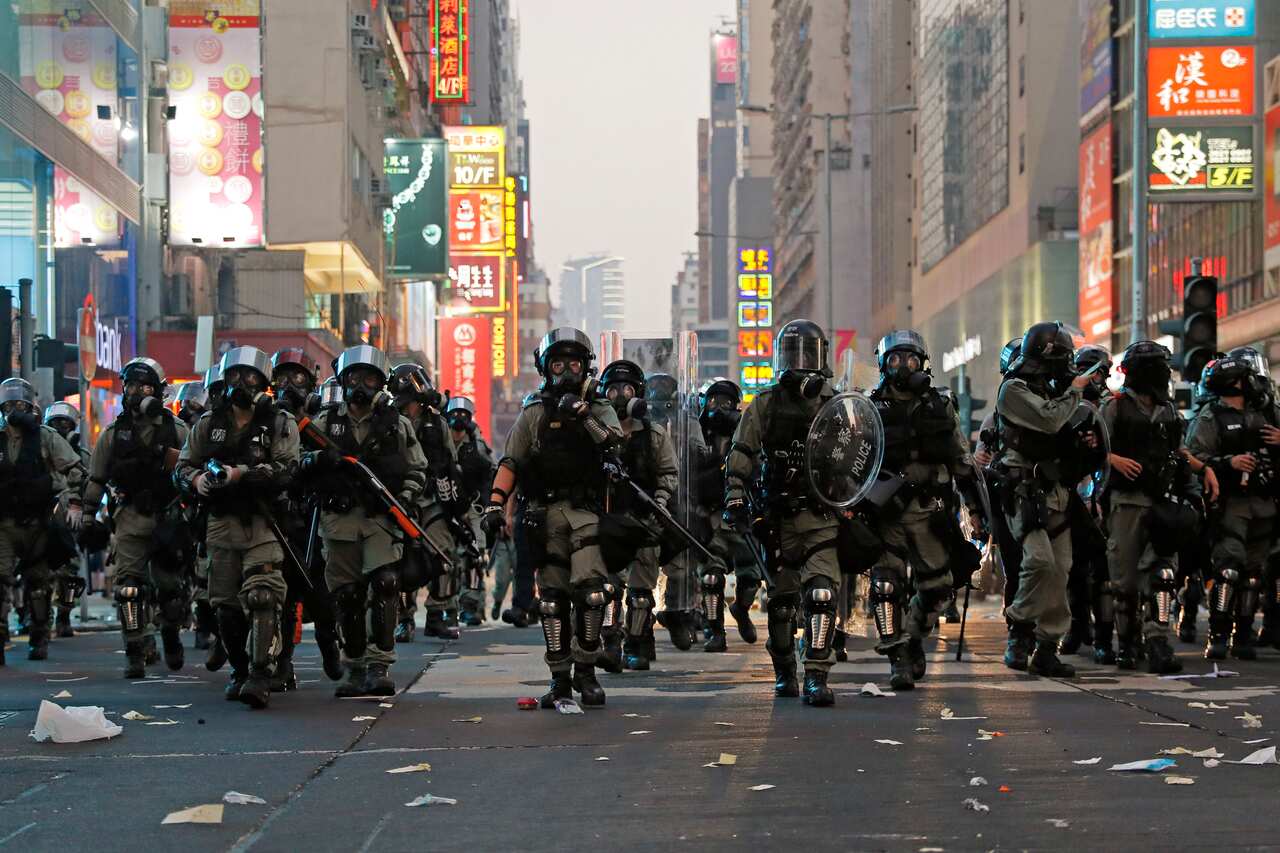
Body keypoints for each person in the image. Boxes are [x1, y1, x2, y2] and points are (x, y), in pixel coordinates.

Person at [481, 328, 623, 707]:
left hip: (585, 514)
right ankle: (560, 678)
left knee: (592, 593)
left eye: (573, 364)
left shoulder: (598, 407)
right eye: (558, 365)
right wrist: (494, 504)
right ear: (546, 369)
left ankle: (586, 672)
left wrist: (583, 414)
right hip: (543, 516)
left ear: (585, 368)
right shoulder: (534, 413)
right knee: (552, 601)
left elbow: (613, 442)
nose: (566, 372)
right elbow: (511, 461)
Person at [723, 319, 844, 706]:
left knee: (822, 594)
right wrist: (735, 496)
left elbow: (857, 455)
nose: (801, 363)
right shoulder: (766, 403)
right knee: (781, 604)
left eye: (808, 354)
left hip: (822, 517)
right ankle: (784, 670)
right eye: (793, 355)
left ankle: (817, 674)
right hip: (777, 519)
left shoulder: (836, 404)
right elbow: (742, 452)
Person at [300, 346, 428, 697]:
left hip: (381, 519)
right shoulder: (323, 422)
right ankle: (355, 666)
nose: (361, 386)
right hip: (338, 521)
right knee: (347, 595)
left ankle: (379, 665)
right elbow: (296, 460)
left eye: (369, 379)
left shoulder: (395, 424)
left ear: (380, 383)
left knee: (386, 583)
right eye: (354, 378)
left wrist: (404, 499)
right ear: (343, 381)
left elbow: (417, 468)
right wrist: (317, 461)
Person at [175, 346, 298, 708]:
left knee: (263, 595)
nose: (240, 384)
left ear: (263, 382)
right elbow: (182, 466)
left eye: (249, 377)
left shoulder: (280, 423)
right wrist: (197, 480)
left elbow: (287, 470)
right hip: (221, 523)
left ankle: (260, 674)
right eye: (233, 376)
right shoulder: (208, 424)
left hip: (264, 523)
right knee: (225, 605)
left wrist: (240, 475)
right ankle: (240, 670)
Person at [864, 331, 983, 690]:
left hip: (930, 511)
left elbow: (961, 458)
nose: (903, 366)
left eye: (911, 359)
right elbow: (855, 462)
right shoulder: (869, 408)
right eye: (895, 359)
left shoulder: (939, 405)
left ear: (923, 364)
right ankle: (896, 656)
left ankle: (914, 636)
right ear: (883, 364)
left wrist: (976, 508)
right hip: (886, 514)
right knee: (885, 587)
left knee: (938, 588)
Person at [995, 322, 1098, 678]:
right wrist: (1074, 392)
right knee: (1039, 561)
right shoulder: (1013, 389)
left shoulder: (1050, 389)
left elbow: (1063, 436)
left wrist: (1084, 443)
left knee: (1060, 570)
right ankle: (1019, 628)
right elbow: (1049, 419)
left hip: (1056, 492)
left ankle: (1047, 647)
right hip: (1024, 491)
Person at [1101, 342, 1207, 674]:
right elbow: (1090, 449)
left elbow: (1179, 453)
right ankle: (1127, 643)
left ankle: (1158, 641)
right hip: (1126, 503)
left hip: (1162, 503)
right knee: (1125, 581)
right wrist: (1113, 460)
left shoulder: (1169, 411)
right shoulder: (1114, 408)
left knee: (1163, 574)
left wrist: (1201, 476)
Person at [83, 358, 190, 678]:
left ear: (156, 391)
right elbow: (96, 478)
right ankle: (134, 651)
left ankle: (170, 632)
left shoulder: (177, 430)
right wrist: (87, 516)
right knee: (129, 588)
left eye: (142, 387)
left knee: (170, 589)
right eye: (129, 385)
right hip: (129, 516)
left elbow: (194, 469)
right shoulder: (113, 434)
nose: (133, 393)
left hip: (168, 516)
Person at [1185, 348, 1280, 660]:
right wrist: (1229, 462)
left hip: (1264, 503)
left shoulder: (1268, 412)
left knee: (1253, 574)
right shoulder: (1210, 417)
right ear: (1235, 382)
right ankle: (1219, 634)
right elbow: (1191, 457)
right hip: (1230, 504)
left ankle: (1243, 633)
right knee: (1228, 569)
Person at [596, 359, 678, 672]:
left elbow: (668, 472)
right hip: (609, 521)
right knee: (607, 589)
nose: (619, 395)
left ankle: (637, 643)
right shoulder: (597, 434)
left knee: (641, 593)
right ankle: (609, 643)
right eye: (612, 389)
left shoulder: (653, 434)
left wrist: (660, 500)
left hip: (645, 520)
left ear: (638, 393)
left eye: (626, 389)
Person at [269, 347, 343, 688]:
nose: (289, 385)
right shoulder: (267, 420)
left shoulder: (322, 419)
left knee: (321, 590)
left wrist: (315, 459)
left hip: (316, 515)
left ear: (311, 383)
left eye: (296, 377)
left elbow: (335, 453)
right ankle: (282, 662)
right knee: (282, 594)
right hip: (280, 516)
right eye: (282, 377)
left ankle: (329, 643)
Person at [0, 381, 84, 664]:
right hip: (4, 523)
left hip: (38, 522)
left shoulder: (45, 437)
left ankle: (39, 636)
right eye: (8, 405)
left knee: (38, 585)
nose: (13, 410)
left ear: (29, 407)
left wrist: (73, 502)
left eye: (19, 405)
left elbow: (75, 469)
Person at [386, 363, 458, 642]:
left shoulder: (437, 424)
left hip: (431, 500)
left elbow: (451, 461)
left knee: (444, 553)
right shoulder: (390, 422)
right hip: (400, 499)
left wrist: (454, 500)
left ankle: (437, 615)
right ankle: (405, 619)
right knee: (403, 559)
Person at [696, 378, 762, 653]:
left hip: (741, 516)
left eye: (726, 402)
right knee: (711, 576)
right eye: (713, 401)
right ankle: (714, 630)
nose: (719, 407)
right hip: (711, 516)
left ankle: (741, 609)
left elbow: (758, 469)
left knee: (751, 577)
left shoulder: (746, 435)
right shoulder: (698, 434)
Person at [1060, 345, 1114, 662]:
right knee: (1073, 570)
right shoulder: (1066, 405)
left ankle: (1107, 635)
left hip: (1107, 496)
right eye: (1085, 371)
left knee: (1104, 569)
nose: (1092, 378)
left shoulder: (1112, 406)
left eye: (1098, 372)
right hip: (1074, 495)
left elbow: (1115, 450)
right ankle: (1078, 626)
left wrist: (1105, 454)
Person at [42, 402, 90, 639]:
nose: (60, 428)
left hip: (71, 517)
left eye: (65, 424)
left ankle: (64, 615)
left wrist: (86, 512)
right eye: (55, 423)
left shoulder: (81, 456)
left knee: (70, 572)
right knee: (40, 571)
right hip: (42, 514)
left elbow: (91, 483)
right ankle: (38, 618)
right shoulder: (38, 449)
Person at [449, 396, 497, 627]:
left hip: (473, 507)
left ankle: (471, 605)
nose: (458, 420)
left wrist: (487, 506)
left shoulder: (477, 445)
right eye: (454, 415)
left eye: (463, 415)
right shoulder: (441, 442)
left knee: (475, 556)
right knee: (446, 556)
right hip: (446, 507)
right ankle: (448, 604)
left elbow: (489, 472)